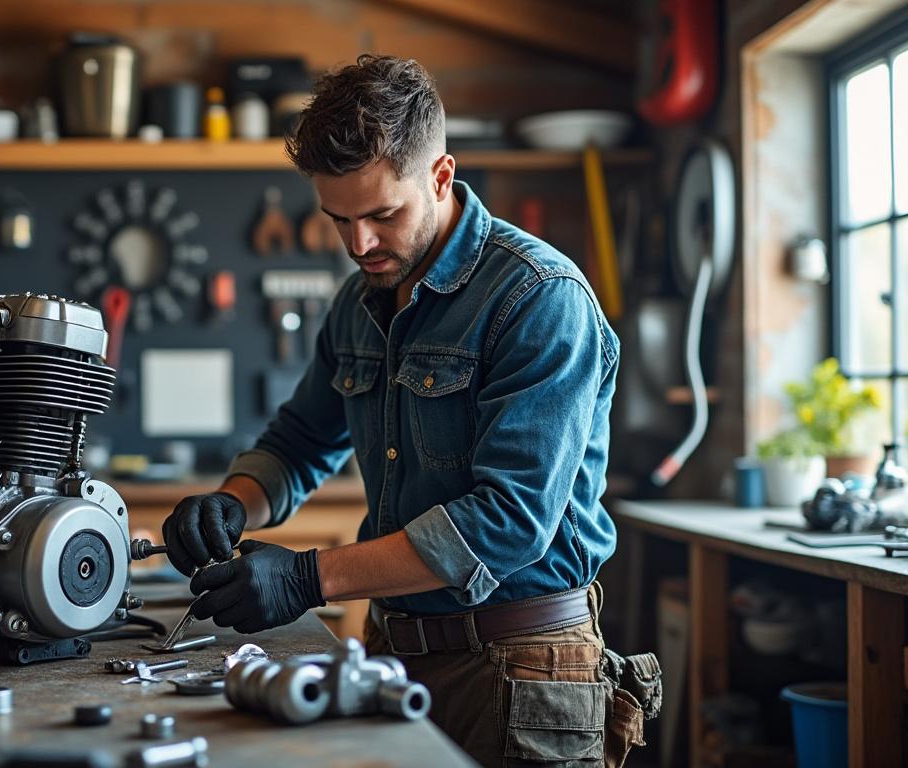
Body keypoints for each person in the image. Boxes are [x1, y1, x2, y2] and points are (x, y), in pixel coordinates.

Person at [161, 54, 627, 765]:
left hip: (521, 665)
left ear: (440, 176)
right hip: (391, 653)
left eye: (383, 215)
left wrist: (307, 578)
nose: (360, 245)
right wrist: (232, 502)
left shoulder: (538, 298)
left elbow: (509, 521)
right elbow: (301, 438)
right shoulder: (360, 300)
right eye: (338, 220)